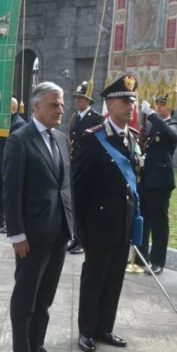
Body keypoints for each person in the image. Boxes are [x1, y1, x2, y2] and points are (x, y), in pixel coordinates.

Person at [3, 82, 74, 352]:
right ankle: (21, 351)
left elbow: (66, 186)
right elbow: (11, 190)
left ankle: (37, 344)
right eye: (53, 104)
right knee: (26, 295)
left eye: (61, 104)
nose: (60, 109)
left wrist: (71, 225)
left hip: (58, 231)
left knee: (45, 295)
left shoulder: (60, 138)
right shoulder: (20, 140)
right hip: (31, 235)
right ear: (36, 107)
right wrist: (17, 234)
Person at [72, 75, 143, 352]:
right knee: (95, 275)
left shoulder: (132, 138)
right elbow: (79, 187)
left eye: (133, 103)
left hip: (123, 220)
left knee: (115, 275)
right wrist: (80, 228)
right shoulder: (93, 138)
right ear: (110, 105)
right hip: (98, 221)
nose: (130, 107)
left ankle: (105, 328)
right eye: (125, 102)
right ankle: (86, 330)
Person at [137, 95, 177, 274]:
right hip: (145, 177)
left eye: (163, 104)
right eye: (158, 103)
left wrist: (152, 114)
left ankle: (158, 260)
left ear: (170, 108)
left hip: (160, 180)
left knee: (158, 222)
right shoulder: (150, 126)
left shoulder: (175, 125)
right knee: (144, 219)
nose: (159, 106)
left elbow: (170, 134)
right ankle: (141, 256)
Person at [66, 81, 104, 255]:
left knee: (85, 205)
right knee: (75, 204)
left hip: (88, 167)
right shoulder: (75, 117)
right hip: (75, 165)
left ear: (88, 100)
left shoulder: (96, 119)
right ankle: (76, 237)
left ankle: (83, 240)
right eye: (76, 98)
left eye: (81, 98)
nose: (78, 101)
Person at [0, 97, 26, 231]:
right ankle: (0, 219)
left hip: (10, 163)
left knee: (9, 194)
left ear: (14, 108)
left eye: (6, 107)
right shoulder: (1, 120)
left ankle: (9, 222)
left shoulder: (19, 123)